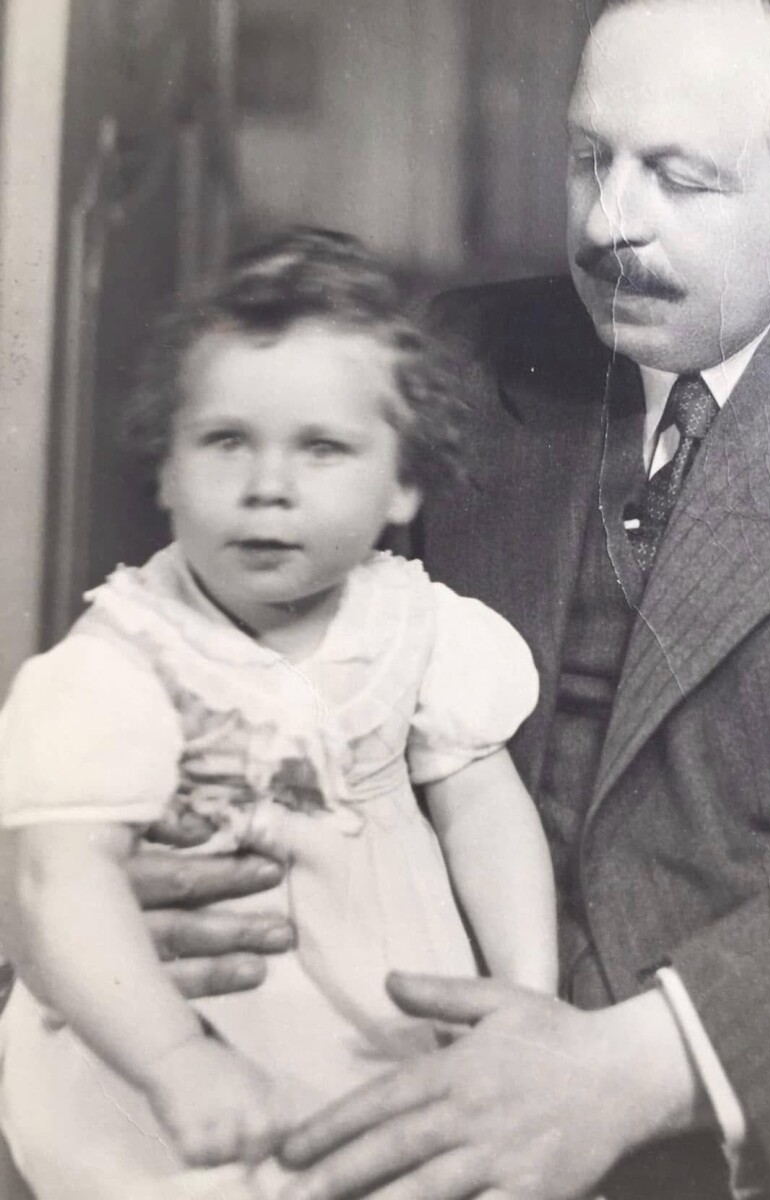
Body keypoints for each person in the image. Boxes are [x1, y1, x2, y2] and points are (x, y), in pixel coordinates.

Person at [70, 1, 770, 1197]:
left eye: (678, 180)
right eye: (591, 159)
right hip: (393, 1062)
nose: (609, 223)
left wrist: (641, 1066)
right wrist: (149, 878)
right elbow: (229, 659)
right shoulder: (454, 359)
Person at [0, 228, 556, 1200]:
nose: (267, 485)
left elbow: (481, 807)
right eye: (225, 442)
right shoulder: (125, 661)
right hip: (171, 1071)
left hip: (376, 1043)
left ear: (402, 483)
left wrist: (523, 995)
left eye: (321, 448)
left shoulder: (417, 625)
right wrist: (176, 1061)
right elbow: (59, 883)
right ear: (167, 470)